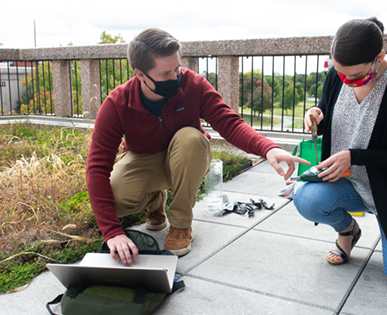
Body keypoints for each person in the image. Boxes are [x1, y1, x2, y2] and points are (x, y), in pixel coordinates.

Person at [86, 28, 309, 263]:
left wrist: (268, 148)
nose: (175, 79)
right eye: (165, 74)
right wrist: (112, 232)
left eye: (177, 69)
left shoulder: (194, 85)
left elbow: (230, 122)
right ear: (140, 74)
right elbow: (97, 167)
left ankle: (181, 225)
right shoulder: (118, 103)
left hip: (188, 155)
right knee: (117, 199)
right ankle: (155, 200)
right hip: (144, 159)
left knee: (190, 138)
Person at [293, 17, 387, 292]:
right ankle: (348, 232)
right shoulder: (337, 76)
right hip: (346, 182)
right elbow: (326, 109)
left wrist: (354, 156)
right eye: (340, 72)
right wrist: (315, 115)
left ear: (379, 57)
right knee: (306, 198)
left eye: (354, 76)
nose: (347, 80)